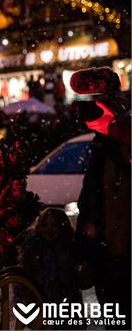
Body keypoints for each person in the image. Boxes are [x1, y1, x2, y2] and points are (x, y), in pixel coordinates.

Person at [70, 67, 131, 330]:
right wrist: (85, 255)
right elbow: (91, 205)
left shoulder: (120, 137)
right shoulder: (101, 147)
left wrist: (118, 127)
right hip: (110, 258)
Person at [21, 208, 82, 305]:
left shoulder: (70, 250)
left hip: (66, 305)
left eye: (54, 225)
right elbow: (23, 278)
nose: (49, 229)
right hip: (39, 304)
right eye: (45, 225)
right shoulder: (33, 250)